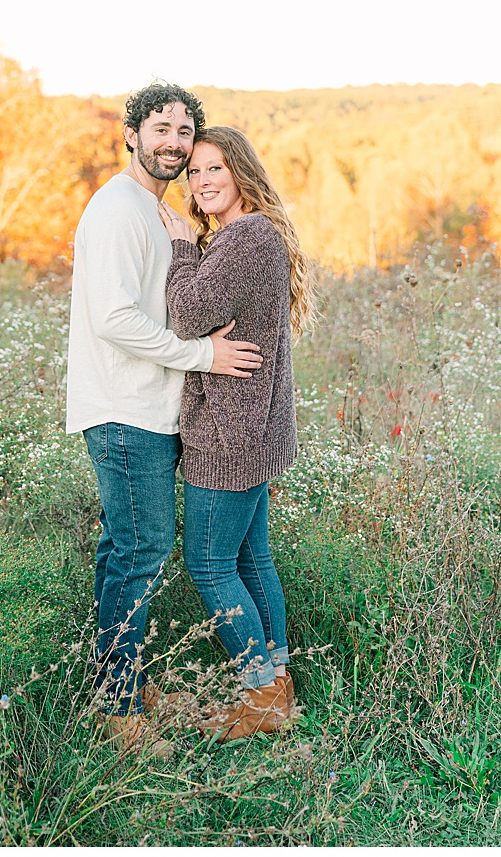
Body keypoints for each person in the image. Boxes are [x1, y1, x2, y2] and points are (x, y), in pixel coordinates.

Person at [65, 81, 264, 752]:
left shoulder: (153, 210)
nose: (175, 141)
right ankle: (120, 715)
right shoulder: (119, 208)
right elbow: (114, 318)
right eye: (161, 127)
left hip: (151, 407)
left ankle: (116, 680)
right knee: (140, 551)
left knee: (124, 550)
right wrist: (200, 354)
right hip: (125, 411)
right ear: (131, 134)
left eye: (185, 130)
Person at [159, 125, 316, 741]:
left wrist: (180, 248)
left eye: (214, 168)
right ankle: (275, 690)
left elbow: (188, 313)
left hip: (229, 432)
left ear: (241, 171)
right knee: (251, 558)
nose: (201, 182)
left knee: (208, 562)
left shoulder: (247, 237)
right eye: (193, 173)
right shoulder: (248, 235)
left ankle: (259, 696)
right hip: (253, 426)